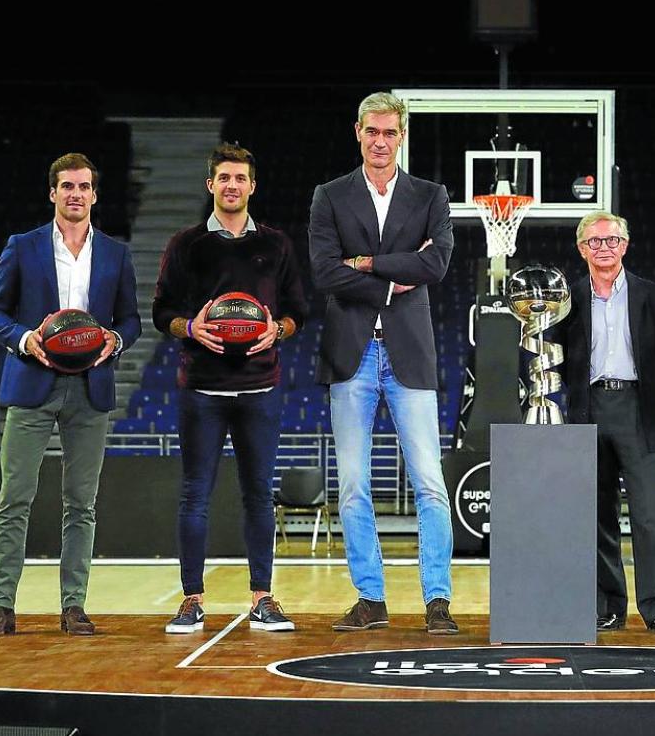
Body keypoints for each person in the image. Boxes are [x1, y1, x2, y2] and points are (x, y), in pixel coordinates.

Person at [308, 91, 457, 635]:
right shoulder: (329, 196)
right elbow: (324, 273)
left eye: (389, 132)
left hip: (409, 354)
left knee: (430, 484)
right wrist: (397, 275)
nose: (379, 140)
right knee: (352, 484)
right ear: (358, 132)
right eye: (371, 131)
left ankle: (436, 599)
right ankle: (370, 597)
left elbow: (436, 263)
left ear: (402, 135)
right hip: (351, 356)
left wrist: (367, 264)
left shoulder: (430, 195)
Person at [0, 152, 141, 637]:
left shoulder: (115, 253)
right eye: (67, 186)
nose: (76, 194)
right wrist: (27, 339)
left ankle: (73, 606)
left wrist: (114, 340)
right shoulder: (22, 246)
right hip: (32, 383)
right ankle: (2, 605)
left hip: (90, 388)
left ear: (94, 194)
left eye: (84, 187)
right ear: (53, 192)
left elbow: (130, 320)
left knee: (81, 504)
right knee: (15, 499)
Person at [153, 143, 308, 634]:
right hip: (201, 387)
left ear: (252, 185)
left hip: (260, 387)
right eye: (224, 178)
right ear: (211, 185)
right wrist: (188, 328)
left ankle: (263, 597)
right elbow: (161, 311)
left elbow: (299, 310)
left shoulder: (277, 245)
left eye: (240, 178)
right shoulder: (187, 244)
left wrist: (277, 330)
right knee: (194, 495)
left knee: (259, 495)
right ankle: (191, 599)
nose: (232, 185)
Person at [555, 211, 655, 634]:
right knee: (597, 516)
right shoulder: (568, 300)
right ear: (581, 250)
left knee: (650, 516)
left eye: (611, 240)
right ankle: (607, 605)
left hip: (636, 409)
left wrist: (644, 395)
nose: (604, 248)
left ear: (625, 246)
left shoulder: (652, 296)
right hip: (588, 409)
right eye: (594, 242)